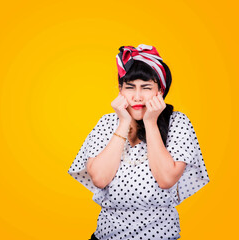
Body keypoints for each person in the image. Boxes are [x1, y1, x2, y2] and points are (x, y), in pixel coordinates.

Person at [67, 44, 210, 240]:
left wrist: (150, 122)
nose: (137, 96)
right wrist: (124, 122)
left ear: (160, 90)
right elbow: (100, 179)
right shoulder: (107, 123)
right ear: (120, 90)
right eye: (130, 87)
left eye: (146, 87)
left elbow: (166, 179)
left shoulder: (178, 122)